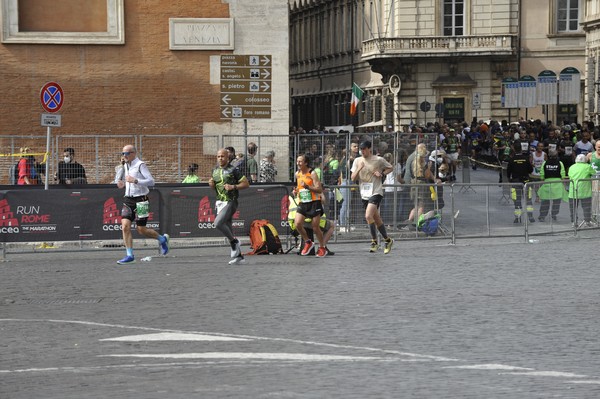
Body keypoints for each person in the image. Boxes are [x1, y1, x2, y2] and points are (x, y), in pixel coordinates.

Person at [114, 145, 170, 264]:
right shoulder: (125, 165)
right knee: (125, 226)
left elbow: (151, 181)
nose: (124, 156)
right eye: (122, 153)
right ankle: (129, 255)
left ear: (133, 153)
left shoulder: (140, 165)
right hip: (128, 199)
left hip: (141, 200)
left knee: (141, 229)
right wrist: (121, 183)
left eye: (127, 153)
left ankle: (162, 239)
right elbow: (122, 180)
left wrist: (135, 180)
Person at [350, 140, 394, 254]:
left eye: (364, 149)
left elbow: (390, 167)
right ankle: (387, 240)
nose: (362, 151)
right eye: (361, 149)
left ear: (369, 149)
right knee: (376, 218)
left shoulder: (378, 160)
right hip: (364, 192)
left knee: (368, 215)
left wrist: (382, 174)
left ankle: (374, 241)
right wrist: (359, 168)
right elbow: (352, 178)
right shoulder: (357, 161)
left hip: (376, 191)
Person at [208, 148, 250, 264]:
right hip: (220, 202)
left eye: (222, 156)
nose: (220, 158)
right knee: (228, 228)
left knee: (218, 223)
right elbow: (214, 187)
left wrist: (233, 187)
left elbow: (246, 183)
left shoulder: (233, 170)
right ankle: (239, 257)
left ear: (227, 157)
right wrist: (211, 184)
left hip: (231, 201)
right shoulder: (215, 170)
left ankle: (234, 242)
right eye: (218, 156)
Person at [293, 153, 327, 257]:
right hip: (303, 202)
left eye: (300, 161)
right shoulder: (297, 174)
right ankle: (308, 242)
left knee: (315, 227)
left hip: (314, 202)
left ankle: (322, 247)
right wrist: (296, 191)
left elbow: (319, 189)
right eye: (297, 161)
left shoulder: (312, 173)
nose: (298, 163)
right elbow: (299, 187)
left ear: (306, 163)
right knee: (297, 224)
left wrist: (308, 187)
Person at [507, 140, 534, 223]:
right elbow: (530, 170)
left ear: (514, 150)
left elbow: (508, 172)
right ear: (521, 149)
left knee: (517, 200)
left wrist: (509, 180)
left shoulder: (512, 160)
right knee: (528, 199)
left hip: (515, 182)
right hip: (526, 182)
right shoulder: (526, 159)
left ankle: (517, 217)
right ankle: (530, 217)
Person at [537, 149, 567, 222]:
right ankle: (554, 214)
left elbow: (542, 175)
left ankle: (542, 216)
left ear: (549, 156)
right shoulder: (560, 163)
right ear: (556, 156)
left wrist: (541, 185)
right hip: (558, 185)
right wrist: (564, 186)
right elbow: (563, 175)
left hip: (547, 185)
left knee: (545, 202)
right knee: (557, 202)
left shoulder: (545, 163)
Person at [568, 154, 595, 228]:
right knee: (586, 207)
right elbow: (594, 173)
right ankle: (587, 221)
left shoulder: (571, 167)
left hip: (573, 191)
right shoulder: (587, 167)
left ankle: (574, 222)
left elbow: (570, 175)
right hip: (585, 191)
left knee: (573, 208)